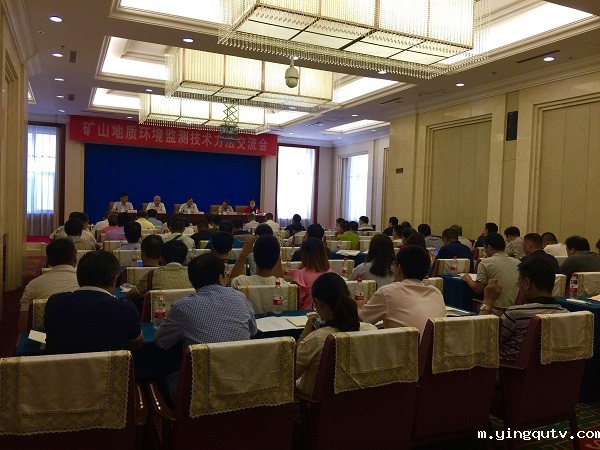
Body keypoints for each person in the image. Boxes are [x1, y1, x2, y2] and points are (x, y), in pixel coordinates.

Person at [154, 253, 257, 401]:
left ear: (192, 281)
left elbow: (161, 343)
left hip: (199, 392)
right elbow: (252, 331)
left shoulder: (182, 307)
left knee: (161, 373)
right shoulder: (240, 297)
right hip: (242, 382)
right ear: (221, 278)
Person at [44, 250, 143, 354]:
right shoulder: (125, 308)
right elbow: (137, 343)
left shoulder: (55, 303)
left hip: (62, 365)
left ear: (78, 277)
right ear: (114, 280)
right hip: (107, 365)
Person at [295, 272, 377, 396]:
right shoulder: (371, 330)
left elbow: (290, 375)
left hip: (319, 404)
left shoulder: (315, 340)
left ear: (318, 302)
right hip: (360, 400)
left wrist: (304, 334)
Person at [485, 255, 567, 361]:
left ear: (527, 283)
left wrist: (488, 301)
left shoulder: (515, 315)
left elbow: (484, 342)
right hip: (549, 371)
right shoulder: (565, 314)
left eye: (519, 284)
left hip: (507, 369)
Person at [358, 245, 446, 337]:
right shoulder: (436, 292)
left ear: (399, 268)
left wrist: (359, 307)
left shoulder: (387, 292)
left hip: (404, 346)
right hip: (434, 346)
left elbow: (360, 321)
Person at [18, 239, 79, 332]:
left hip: (44, 338)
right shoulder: (86, 284)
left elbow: (23, 327)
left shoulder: (32, 285)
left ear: (48, 261)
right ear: (75, 257)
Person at [462, 233, 520, 316]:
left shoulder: (485, 263)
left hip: (494, 310)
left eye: (484, 248)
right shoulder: (518, 263)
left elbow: (477, 289)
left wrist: (468, 279)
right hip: (514, 311)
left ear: (489, 248)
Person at [127, 239, 192, 300]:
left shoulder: (152, 275)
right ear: (185, 260)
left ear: (161, 258)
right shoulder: (192, 275)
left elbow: (129, 295)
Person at [290, 238, 333, 310]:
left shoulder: (301, 275)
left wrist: (300, 268)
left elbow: (293, 300)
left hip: (305, 313)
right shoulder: (331, 273)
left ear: (303, 255)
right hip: (326, 312)